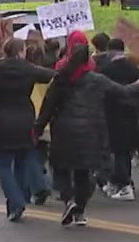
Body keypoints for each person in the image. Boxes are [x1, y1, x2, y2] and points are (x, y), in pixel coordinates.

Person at [37, 32, 125, 228]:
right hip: (91, 129)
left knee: (60, 168)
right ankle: (79, 209)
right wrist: (138, 85)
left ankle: (69, 200)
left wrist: (38, 127)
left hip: (63, 129)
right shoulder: (95, 77)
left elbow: (48, 104)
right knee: (83, 172)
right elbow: (120, 91)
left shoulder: (60, 75)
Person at [0, 37, 54, 222]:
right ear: (20, 52)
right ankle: (21, 198)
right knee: (21, 161)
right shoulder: (29, 69)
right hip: (25, 120)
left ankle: (15, 201)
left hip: (1, 121)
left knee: (4, 166)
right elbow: (53, 76)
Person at [97, 38, 139, 200]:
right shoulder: (135, 70)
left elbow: (102, 93)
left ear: (110, 51)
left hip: (111, 114)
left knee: (116, 151)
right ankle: (119, 181)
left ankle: (123, 185)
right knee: (125, 151)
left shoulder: (105, 70)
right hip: (131, 114)